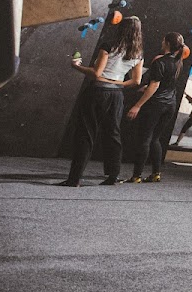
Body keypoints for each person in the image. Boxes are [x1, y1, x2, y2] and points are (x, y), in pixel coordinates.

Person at [60, 16, 145, 186]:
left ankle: (74, 179)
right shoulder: (138, 53)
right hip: (116, 96)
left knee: (86, 133)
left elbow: (97, 73)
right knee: (113, 134)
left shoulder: (108, 46)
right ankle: (113, 176)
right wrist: (117, 83)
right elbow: (136, 81)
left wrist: (76, 66)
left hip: (97, 92)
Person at [127, 32, 185, 183]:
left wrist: (137, 105)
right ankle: (155, 174)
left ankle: (136, 176)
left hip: (156, 105)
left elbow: (155, 85)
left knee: (145, 139)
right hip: (170, 105)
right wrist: (147, 88)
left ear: (166, 43)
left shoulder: (160, 62)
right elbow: (164, 84)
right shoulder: (178, 62)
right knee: (155, 139)